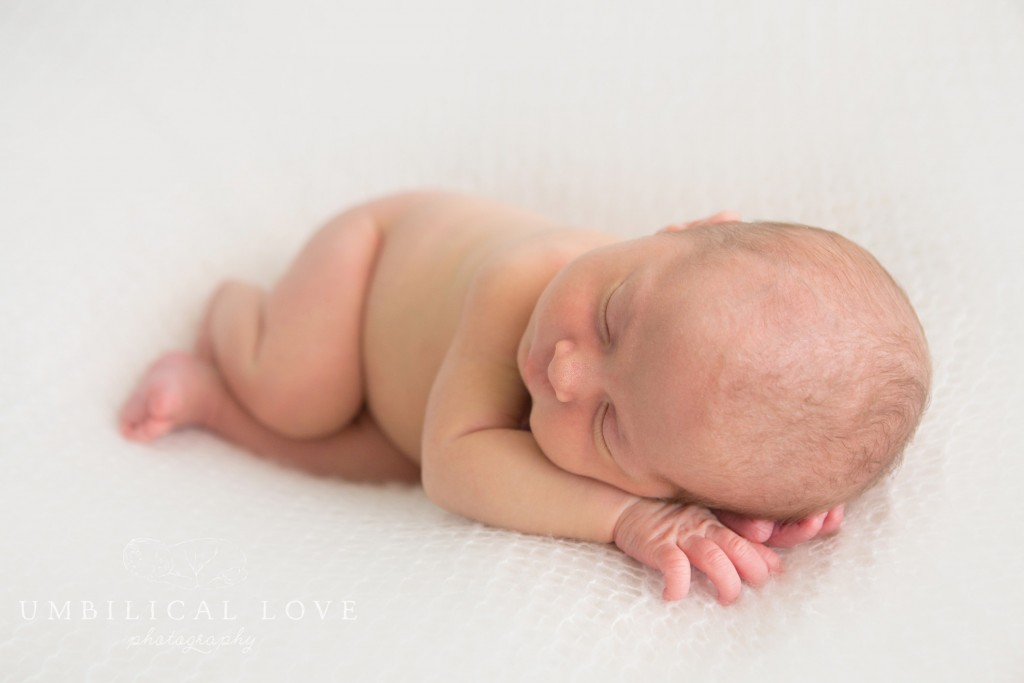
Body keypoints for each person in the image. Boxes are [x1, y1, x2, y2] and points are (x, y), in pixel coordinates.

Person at [119, 189, 930, 603]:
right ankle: (238, 322)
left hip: (414, 420)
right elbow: (453, 464)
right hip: (366, 262)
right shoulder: (525, 278)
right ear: (681, 229)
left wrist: (734, 512)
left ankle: (212, 405)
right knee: (303, 395)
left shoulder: (674, 406)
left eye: (611, 428)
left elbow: (437, 461)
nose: (567, 373)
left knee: (376, 459)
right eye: (612, 317)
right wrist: (629, 516)